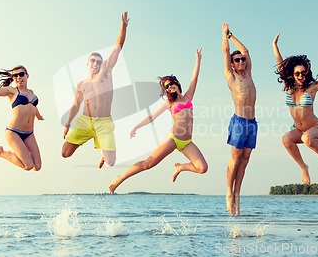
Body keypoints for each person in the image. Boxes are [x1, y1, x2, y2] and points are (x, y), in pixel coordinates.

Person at [108, 48, 208, 194]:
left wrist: (198, 60)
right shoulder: (169, 103)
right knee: (148, 164)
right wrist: (136, 127)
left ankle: (180, 167)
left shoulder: (188, 97)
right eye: (166, 86)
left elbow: (194, 79)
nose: (170, 87)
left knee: (202, 168)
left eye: (171, 83)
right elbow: (151, 117)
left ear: (177, 83)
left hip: (187, 142)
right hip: (174, 138)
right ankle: (119, 179)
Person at [273, 33, 318, 185]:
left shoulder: (312, 88)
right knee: (286, 139)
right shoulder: (289, 88)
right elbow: (281, 66)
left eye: (303, 72)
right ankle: (304, 167)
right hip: (298, 130)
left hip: (316, 128)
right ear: (292, 75)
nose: (300, 75)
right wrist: (275, 46)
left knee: (307, 138)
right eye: (297, 73)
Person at [62, 12, 129, 168]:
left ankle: (103, 151)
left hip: (104, 123)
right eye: (92, 60)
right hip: (85, 122)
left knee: (111, 163)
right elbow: (75, 105)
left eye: (98, 61)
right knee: (65, 153)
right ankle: (89, 138)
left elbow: (117, 47)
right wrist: (67, 124)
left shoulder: (106, 72)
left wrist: (123, 26)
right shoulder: (81, 85)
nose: (96, 63)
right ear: (87, 63)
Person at [222, 23, 258, 216]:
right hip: (239, 122)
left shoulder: (249, 74)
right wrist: (224, 36)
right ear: (232, 63)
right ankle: (228, 193)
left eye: (242, 59)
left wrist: (233, 35)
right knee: (235, 160)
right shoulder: (231, 76)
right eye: (237, 60)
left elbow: (246, 50)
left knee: (245, 160)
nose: (241, 61)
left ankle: (237, 196)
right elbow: (226, 50)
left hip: (252, 123)